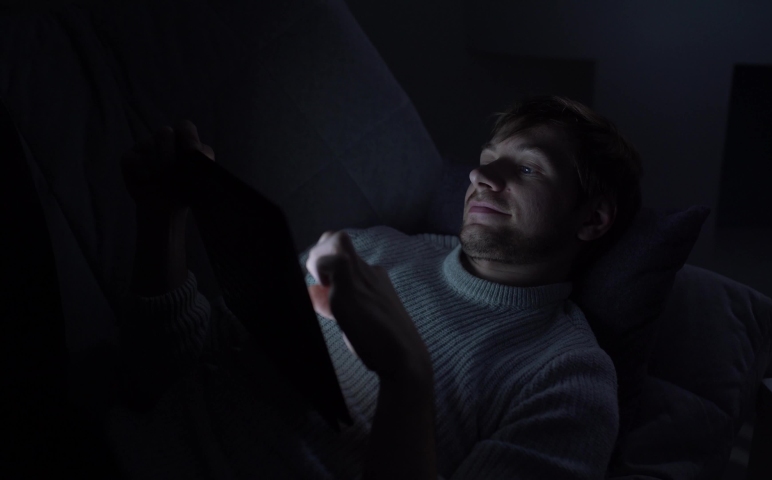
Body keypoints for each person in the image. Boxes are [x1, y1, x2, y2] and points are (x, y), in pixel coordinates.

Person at [112, 94, 643, 480]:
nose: (483, 177)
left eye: (527, 167)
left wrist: (406, 375)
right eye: (486, 161)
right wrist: (164, 221)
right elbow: (169, 365)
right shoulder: (369, 249)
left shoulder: (570, 379)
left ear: (592, 220)